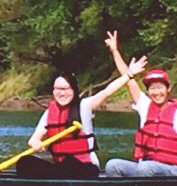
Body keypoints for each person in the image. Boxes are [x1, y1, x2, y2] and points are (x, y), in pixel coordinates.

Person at [97, 30, 177, 178]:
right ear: (148, 91)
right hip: (145, 167)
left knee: (145, 168)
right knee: (113, 166)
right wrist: (115, 51)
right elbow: (128, 80)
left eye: (160, 87)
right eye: (152, 89)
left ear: (168, 89)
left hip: (172, 170)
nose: (156, 92)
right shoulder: (145, 106)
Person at [15, 58, 145, 177]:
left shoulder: (84, 106)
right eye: (57, 89)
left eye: (66, 89)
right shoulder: (50, 112)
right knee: (25, 162)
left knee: (69, 162)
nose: (61, 93)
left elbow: (107, 92)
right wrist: (36, 143)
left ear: (73, 90)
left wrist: (129, 75)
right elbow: (33, 140)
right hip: (61, 169)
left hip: (85, 169)